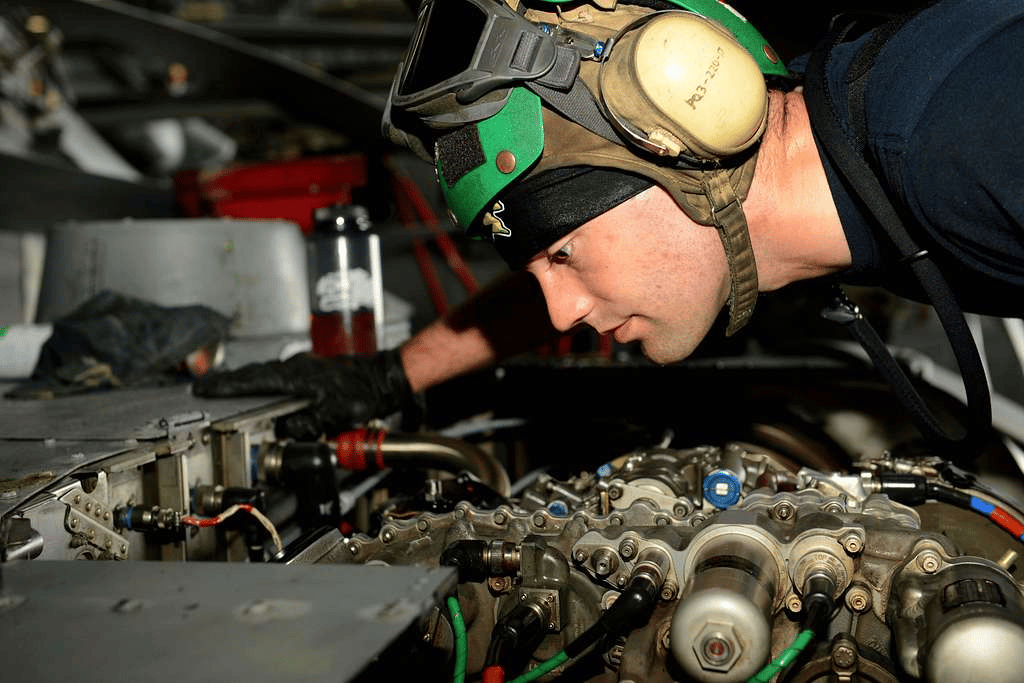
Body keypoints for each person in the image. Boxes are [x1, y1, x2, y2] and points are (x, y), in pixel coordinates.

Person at [194, 0, 1024, 442]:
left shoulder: (969, 141)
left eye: (561, 255)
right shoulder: (831, 136)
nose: (559, 314)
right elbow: (628, 241)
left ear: (682, 138)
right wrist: (389, 377)